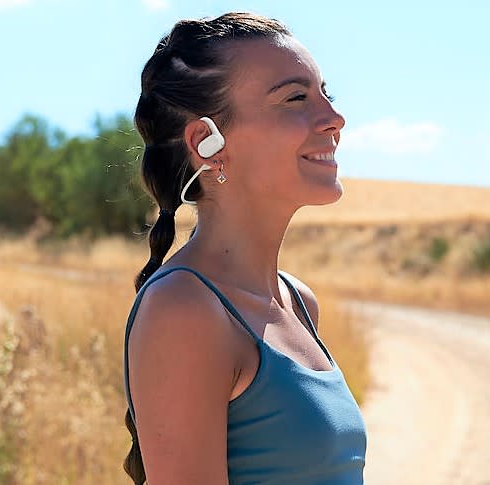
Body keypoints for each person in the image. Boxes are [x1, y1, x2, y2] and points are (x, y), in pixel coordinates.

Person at [122, 12, 367, 484]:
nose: (335, 118)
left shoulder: (298, 302)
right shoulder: (185, 310)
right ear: (208, 144)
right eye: (296, 98)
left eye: (325, 94)